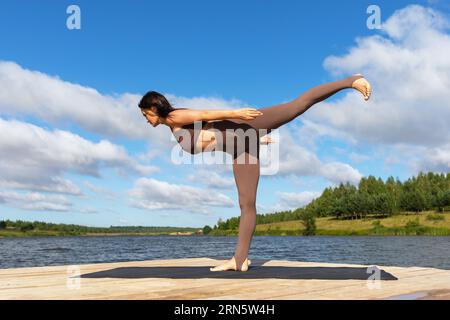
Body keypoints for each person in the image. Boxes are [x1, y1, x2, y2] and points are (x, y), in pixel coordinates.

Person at [138, 74, 372, 272]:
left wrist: (237, 113)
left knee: (296, 106)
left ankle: (351, 81)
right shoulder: (173, 126)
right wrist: (254, 138)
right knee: (246, 204)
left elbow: (206, 114)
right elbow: (214, 138)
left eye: (146, 115)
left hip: (245, 127)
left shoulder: (174, 116)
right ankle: (239, 260)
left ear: (154, 108)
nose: (146, 120)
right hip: (242, 145)